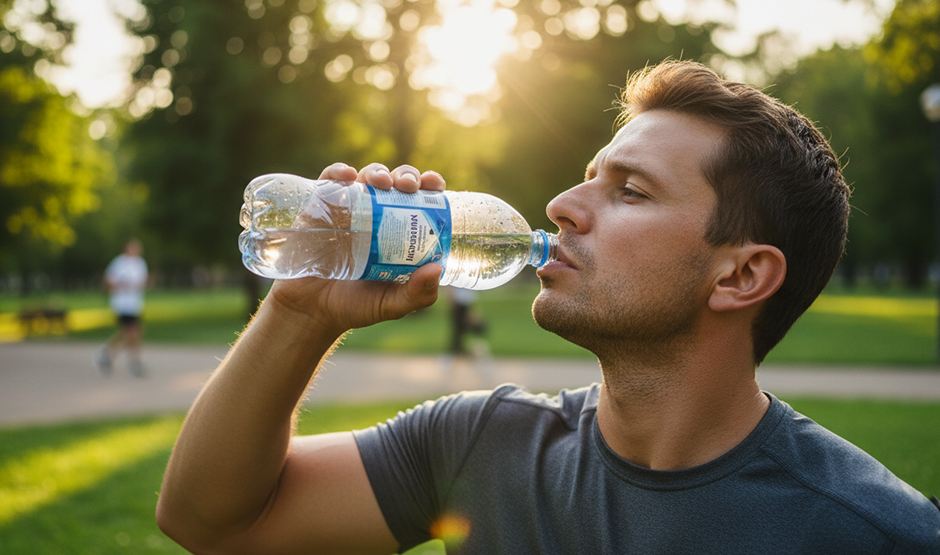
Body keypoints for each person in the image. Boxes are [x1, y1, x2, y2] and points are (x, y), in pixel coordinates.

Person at [156, 60, 940, 554]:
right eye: (587, 175)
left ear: (740, 277)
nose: (563, 203)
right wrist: (301, 312)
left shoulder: (870, 532)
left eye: (629, 190)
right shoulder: (478, 442)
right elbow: (211, 523)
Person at [95, 238, 148, 377]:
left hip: (134, 304)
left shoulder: (140, 263)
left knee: (131, 334)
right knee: (132, 332)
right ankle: (135, 362)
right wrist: (120, 285)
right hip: (121, 304)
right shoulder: (119, 262)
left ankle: (107, 354)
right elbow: (108, 280)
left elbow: (142, 282)